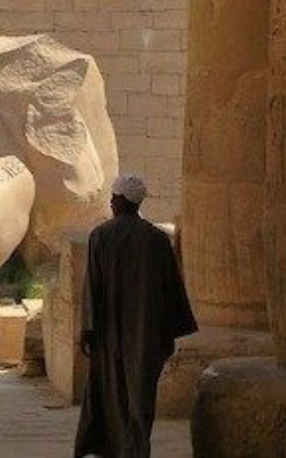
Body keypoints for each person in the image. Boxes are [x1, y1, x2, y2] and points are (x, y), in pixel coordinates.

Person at [74, 174, 198, 458]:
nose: (110, 202)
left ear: (119, 200)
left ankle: (112, 449)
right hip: (146, 334)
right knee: (140, 398)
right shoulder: (157, 240)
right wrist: (169, 332)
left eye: (113, 198)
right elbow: (173, 290)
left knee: (109, 394)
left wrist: (87, 329)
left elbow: (92, 287)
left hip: (109, 333)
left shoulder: (101, 236)